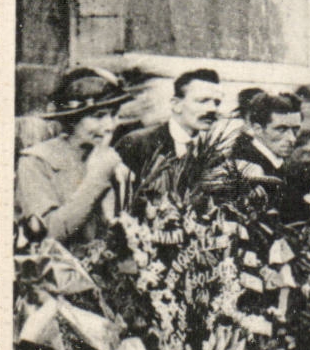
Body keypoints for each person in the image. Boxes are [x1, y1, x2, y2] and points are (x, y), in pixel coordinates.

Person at [17, 67, 134, 243]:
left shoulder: (113, 158)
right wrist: (97, 178)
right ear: (72, 119)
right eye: (98, 116)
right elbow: (49, 235)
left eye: (114, 115)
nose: (110, 125)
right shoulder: (36, 162)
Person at [117, 67, 224, 183]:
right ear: (176, 104)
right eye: (203, 101)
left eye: (217, 103)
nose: (213, 109)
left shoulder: (214, 156)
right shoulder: (137, 144)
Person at [229, 92, 310, 219]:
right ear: (258, 129)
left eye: (295, 130)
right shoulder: (245, 166)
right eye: (281, 129)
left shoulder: (284, 164)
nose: (292, 138)